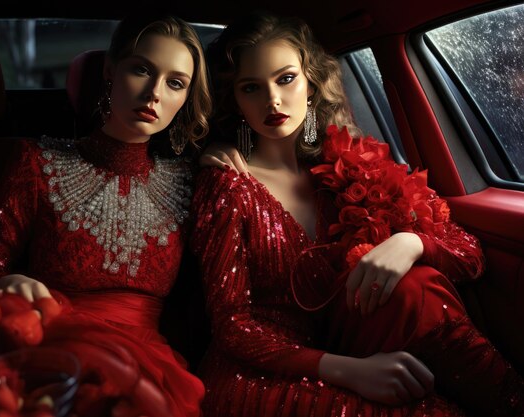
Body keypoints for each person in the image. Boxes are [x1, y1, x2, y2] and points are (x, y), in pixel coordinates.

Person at [190, 11, 524, 417]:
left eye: (286, 79)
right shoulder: (227, 184)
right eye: (251, 87)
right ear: (236, 100)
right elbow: (233, 327)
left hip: (351, 345)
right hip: (263, 370)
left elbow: (469, 254)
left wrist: (412, 242)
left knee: (417, 287)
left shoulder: (347, 169)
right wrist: (348, 370)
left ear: (310, 83)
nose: (273, 100)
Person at [0, 14, 234, 417]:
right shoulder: (38, 162)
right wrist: (8, 280)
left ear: (185, 97)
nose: (155, 93)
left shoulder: (192, 179)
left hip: (149, 364)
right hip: (53, 345)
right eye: (142, 70)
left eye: (175, 83)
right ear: (111, 71)